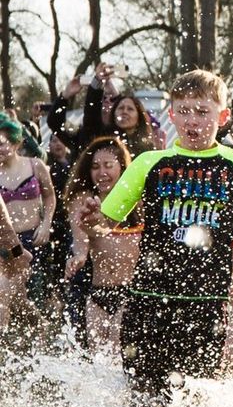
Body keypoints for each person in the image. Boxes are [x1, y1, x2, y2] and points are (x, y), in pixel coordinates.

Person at [95, 70, 233, 407]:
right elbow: (108, 217)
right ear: (172, 114)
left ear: (222, 117)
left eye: (202, 111)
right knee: (142, 401)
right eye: (184, 111)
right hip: (148, 301)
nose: (193, 120)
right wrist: (90, 224)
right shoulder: (148, 163)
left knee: (191, 403)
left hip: (208, 304)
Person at [62, 136, 138, 355]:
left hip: (129, 293)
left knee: (116, 353)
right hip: (98, 292)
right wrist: (78, 257)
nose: (101, 172)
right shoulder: (84, 199)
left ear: (122, 167)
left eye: (108, 165)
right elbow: (80, 240)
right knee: (98, 359)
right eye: (95, 167)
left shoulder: (136, 201)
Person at [0, 115, 56, 331]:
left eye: (2, 144)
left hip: (33, 236)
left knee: (32, 292)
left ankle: (39, 331)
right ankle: (8, 338)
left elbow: (50, 196)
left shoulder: (35, 165)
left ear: (15, 143)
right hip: (8, 243)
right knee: (8, 291)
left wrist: (46, 224)